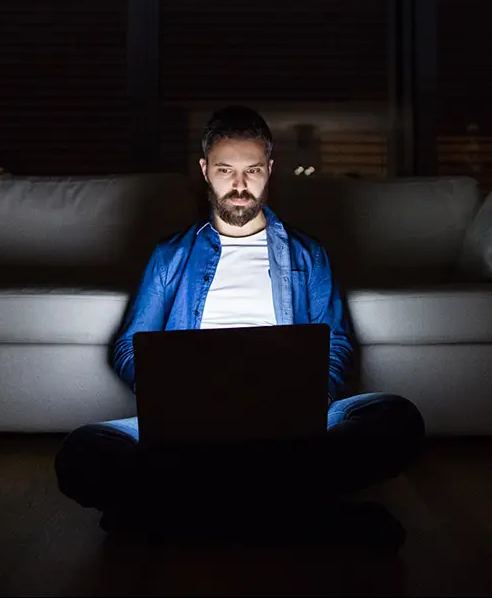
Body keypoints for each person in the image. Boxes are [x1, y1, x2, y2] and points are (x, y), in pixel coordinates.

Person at [54, 106, 425, 543]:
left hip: (288, 425)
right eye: (225, 170)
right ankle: (302, 517)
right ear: (204, 171)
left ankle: (178, 517)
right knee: (84, 453)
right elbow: (128, 346)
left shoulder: (308, 254)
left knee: (395, 418)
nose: (239, 186)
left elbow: (336, 341)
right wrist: (170, 398)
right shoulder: (170, 256)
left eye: (252, 171)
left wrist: (313, 397)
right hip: (188, 426)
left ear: (270, 170)